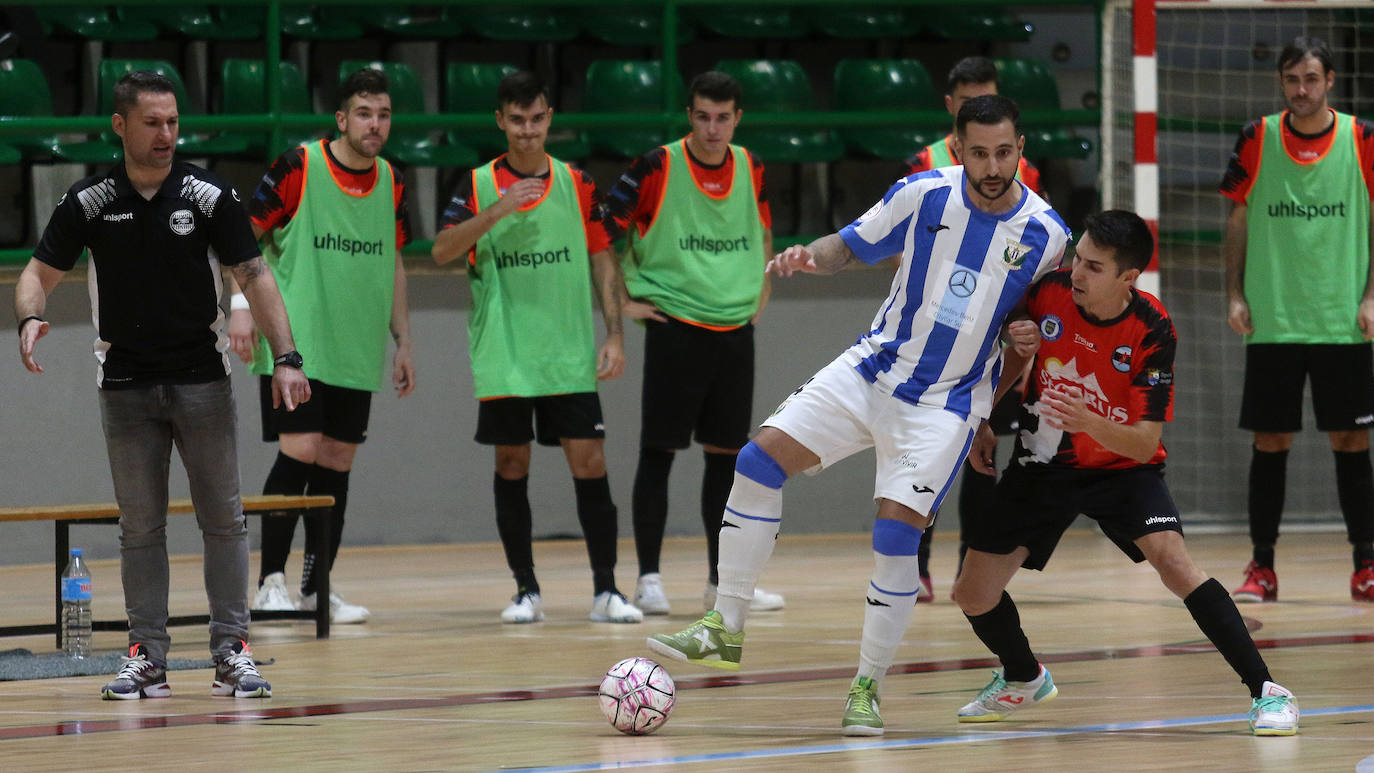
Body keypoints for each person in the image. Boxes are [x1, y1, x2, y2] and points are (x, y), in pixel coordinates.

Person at [648, 95, 1071, 736]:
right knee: (757, 460)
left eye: (1004, 152)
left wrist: (990, 408)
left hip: (944, 405)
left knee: (895, 537)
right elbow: (849, 245)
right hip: (873, 368)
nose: (992, 166)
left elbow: (1026, 340)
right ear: (956, 148)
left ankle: (866, 687)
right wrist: (806, 256)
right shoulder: (922, 195)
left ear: (1021, 148)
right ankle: (723, 625)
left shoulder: (1047, 236)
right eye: (979, 153)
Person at [14, 70, 308, 699]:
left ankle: (232, 651)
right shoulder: (89, 201)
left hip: (202, 379)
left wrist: (288, 356)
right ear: (120, 125)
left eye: (173, 122)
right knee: (140, 527)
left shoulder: (209, 196)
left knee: (223, 521)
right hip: (124, 384)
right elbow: (36, 274)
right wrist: (30, 316)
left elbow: (254, 276)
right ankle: (147, 655)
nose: (166, 134)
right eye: (152, 123)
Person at [949, 209, 1300, 737]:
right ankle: (1023, 675)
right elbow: (1019, 355)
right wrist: (984, 416)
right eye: (1077, 259)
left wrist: (1089, 420)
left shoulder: (1153, 330)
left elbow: (1144, 443)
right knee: (971, 594)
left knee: (1176, 564)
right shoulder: (1049, 293)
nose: (1077, 274)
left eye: (1093, 267)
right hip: (1042, 462)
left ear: (1127, 278)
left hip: (1121, 468)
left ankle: (1268, 692)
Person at [432, 71, 641, 625]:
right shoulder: (476, 183)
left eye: (538, 119)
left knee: (590, 462)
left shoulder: (578, 183)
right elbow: (441, 250)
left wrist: (615, 333)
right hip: (505, 353)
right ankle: (526, 589)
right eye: (517, 120)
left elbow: (601, 255)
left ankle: (607, 590)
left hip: (567, 352)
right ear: (501, 121)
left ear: (550, 120)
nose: (528, 130)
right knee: (512, 461)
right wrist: (498, 210)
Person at [228, 68, 416, 625]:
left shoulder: (393, 181)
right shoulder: (299, 165)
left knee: (337, 460)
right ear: (341, 118)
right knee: (301, 451)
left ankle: (318, 583)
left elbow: (397, 263)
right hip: (299, 344)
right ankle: (269, 582)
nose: (374, 124)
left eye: (383, 114)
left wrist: (403, 339)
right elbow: (244, 236)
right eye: (364, 113)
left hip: (357, 346)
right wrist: (240, 310)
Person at [600, 70, 783, 616]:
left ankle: (719, 583)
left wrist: (760, 291)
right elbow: (602, 233)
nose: (712, 128)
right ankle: (649, 580)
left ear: (737, 118)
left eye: (722, 117)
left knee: (727, 463)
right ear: (689, 115)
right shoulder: (657, 165)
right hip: (675, 326)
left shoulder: (752, 166)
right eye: (702, 116)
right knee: (658, 454)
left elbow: (765, 233)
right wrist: (622, 305)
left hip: (733, 332)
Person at [1221, 36, 1374, 603]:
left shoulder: (1362, 138)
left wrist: (1371, 295)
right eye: (1291, 80)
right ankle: (1262, 566)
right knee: (1271, 440)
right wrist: (1234, 293)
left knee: (1351, 440)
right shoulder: (1257, 136)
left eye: (1311, 79)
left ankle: (1366, 565)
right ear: (1282, 83)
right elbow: (1237, 215)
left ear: (1330, 80)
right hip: (1275, 317)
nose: (1301, 89)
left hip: (1343, 319)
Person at [904, 55, 1045, 601]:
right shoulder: (923, 166)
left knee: (982, 450)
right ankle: (916, 564)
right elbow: (905, 251)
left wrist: (1020, 325)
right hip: (937, 335)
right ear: (952, 110)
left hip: (995, 337)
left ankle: (971, 564)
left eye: (988, 100)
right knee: (928, 455)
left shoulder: (1021, 173)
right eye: (968, 105)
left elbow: (1036, 259)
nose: (980, 115)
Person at [904, 56, 1045, 197]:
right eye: (967, 102)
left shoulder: (1026, 172)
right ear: (949, 104)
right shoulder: (920, 167)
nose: (978, 111)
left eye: (987, 101)